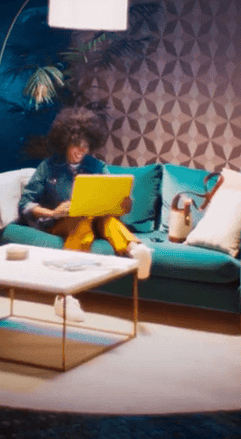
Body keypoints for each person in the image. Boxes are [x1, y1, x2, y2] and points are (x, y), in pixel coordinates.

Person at [18, 107, 153, 322]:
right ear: (64, 142)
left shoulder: (97, 166)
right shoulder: (48, 167)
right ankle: (65, 296)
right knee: (82, 221)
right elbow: (25, 204)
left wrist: (123, 204)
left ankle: (136, 250)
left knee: (107, 218)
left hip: (96, 220)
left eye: (85, 146)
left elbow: (115, 203)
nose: (80, 151)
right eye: (75, 146)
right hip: (62, 222)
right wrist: (52, 211)